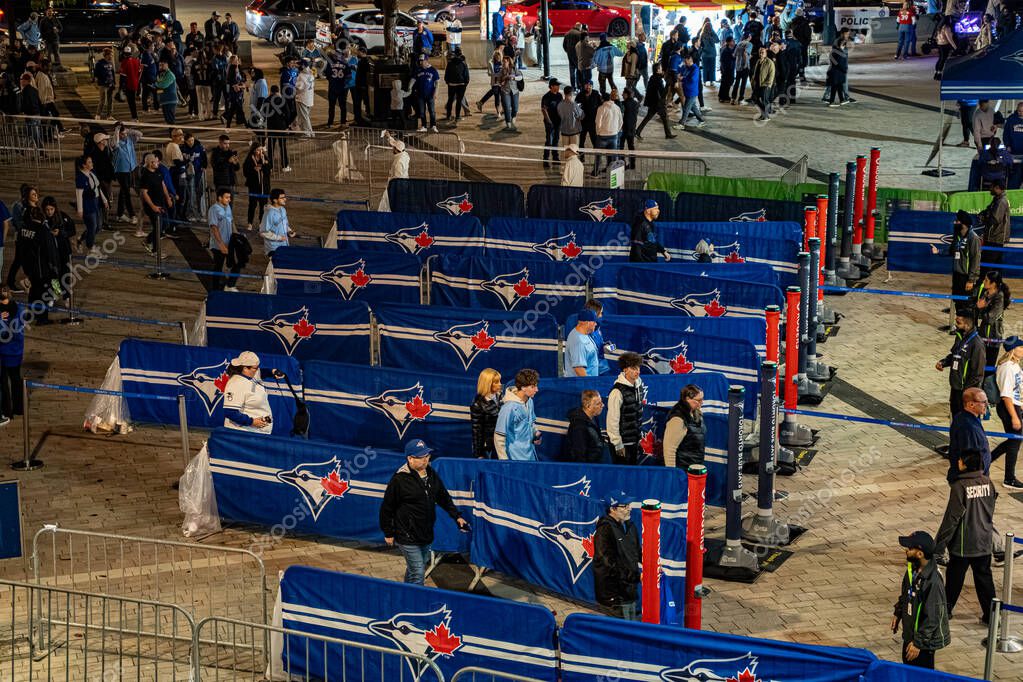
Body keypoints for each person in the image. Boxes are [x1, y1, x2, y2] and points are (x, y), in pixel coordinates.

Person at [380, 439, 468, 585]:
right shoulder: (399, 480)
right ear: (410, 459)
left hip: (426, 533)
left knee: (415, 568)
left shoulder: (431, 474)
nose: (426, 460)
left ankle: (406, 593)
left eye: (427, 456)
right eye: (421, 457)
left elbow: (443, 497)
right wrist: (388, 532)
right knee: (418, 573)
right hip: (406, 535)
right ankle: (416, 604)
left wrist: (457, 516)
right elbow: (387, 508)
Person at [935, 447, 997, 625]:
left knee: (954, 577)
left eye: (960, 460)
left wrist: (939, 544)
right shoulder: (988, 482)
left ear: (965, 464)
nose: (958, 462)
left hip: (963, 543)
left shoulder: (959, 487)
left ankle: (945, 611)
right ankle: (992, 616)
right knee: (984, 580)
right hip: (984, 541)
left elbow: (951, 518)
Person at [892, 531, 951, 669]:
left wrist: (918, 643)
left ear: (920, 554)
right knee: (908, 670)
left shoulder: (933, 581)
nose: (906, 550)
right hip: (910, 636)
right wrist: (898, 612)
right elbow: (906, 594)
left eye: (910, 548)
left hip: (923, 644)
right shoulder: (912, 570)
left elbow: (933, 617)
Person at [593, 492, 641, 620]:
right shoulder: (604, 530)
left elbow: (637, 552)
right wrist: (632, 576)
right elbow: (607, 563)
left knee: (632, 627)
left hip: (629, 591)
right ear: (612, 509)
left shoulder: (630, 526)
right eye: (624, 506)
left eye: (629, 505)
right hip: (614, 596)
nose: (629, 508)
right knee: (621, 632)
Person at [937, 309, 986, 428]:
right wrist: (944, 362)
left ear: (967, 324)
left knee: (968, 424)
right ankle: (955, 445)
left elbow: (978, 374)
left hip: (967, 393)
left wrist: (967, 392)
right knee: (956, 421)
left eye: (958, 323)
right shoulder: (960, 336)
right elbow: (955, 354)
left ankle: (966, 446)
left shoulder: (977, 344)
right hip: (956, 387)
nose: (955, 325)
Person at [223, 351, 284, 433]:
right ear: (245, 368)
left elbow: (262, 372)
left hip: (255, 433)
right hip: (243, 433)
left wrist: (272, 372)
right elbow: (230, 412)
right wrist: (251, 422)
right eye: (255, 368)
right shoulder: (236, 384)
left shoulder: (250, 374)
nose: (257, 370)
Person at [992, 337, 1023, 488]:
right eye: (1021, 347)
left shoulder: (1015, 365)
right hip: (1008, 408)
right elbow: (1006, 395)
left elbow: (1016, 390)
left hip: (1016, 406)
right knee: (1015, 441)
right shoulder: (1007, 368)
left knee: (1014, 440)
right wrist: (1014, 416)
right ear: (1013, 350)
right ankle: (1009, 478)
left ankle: (987, 459)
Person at [607, 352, 645, 466]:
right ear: (625, 370)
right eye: (633, 368)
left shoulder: (639, 385)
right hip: (622, 443)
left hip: (634, 440)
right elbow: (612, 420)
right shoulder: (617, 392)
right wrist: (618, 444)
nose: (637, 371)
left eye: (638, 368)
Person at [494, 368, 540, 461]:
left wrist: (536, 433)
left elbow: (531, 423)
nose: (537, 390)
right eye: (533, 386)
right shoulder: (508, 408)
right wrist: (505, 462)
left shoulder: (530, 401)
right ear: (523, 387)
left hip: (531, 457)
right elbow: (499, 437)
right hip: (515, 459)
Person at [662, 385, 706, 469]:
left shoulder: (696, 413)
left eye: (702, 399)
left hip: (694, 468)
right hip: (682, 470)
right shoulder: (678, 419)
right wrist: (673, 473)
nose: (702, 403)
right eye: (699, 400)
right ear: (687, 399)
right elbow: (669, 450)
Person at [973, 269, 1008, 371]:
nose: (983, 281)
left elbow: (990, 318)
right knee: (979, 364)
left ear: (993, 284)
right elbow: (977, 312)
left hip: (994, 336)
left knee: (989, 367)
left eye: (986, 280)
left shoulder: (999, 297)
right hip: (982, 333)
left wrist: (981, 308)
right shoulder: (985, 293)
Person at [139, 153, 171, 255]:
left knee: (164, 225)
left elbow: (163, 185)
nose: (158, 163)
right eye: (156, 161)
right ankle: (155, 251)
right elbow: (144, 193)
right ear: (151, 163)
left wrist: (168, 198)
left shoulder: (158, 172)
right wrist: (153, 206)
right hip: (152, 206)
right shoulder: (146, 176)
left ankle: (148, 240)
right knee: (158, 227)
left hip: (161, 204)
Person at [208, 187, 240, 292]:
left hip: (229, 243)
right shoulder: (213, 210)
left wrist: (237, 235)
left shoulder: (228, 207)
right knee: (218, 267)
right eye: (227, 198)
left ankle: (230, 285)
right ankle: (215, 289)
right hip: (218, 246)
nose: (229, 200)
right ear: (219, 198)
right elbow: (214, 228)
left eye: (229, 197)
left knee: (236, 264)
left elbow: (231, 222)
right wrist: (221, 245)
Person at [0, 287, 24, 425]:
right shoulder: (19, 308)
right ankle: (19, 408)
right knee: (16, 379)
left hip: (4, 351)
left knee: (4, 383)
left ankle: (7, 411)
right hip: (16, 350)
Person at [75, 155, 107, 255]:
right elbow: (79, 194)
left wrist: (104, 200)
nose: (92, 163)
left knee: (98, 226)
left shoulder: (92, 173)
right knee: (92, 226)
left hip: (96, 202)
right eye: (89, 162)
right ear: (84, 165)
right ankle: (90, 246)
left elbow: (98, 188)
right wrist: (80, 209)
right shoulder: (80, 177)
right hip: (88, 204)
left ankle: (80, 238)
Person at [563, 389, 605, 462]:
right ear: (588, 406)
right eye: (598, 404)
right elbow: (579, 456)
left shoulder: (594, 419)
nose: (603, 405)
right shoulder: (578, 427)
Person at [636, 64, 675, 140]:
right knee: (664, 117)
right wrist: (667, 85)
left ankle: (638, 131)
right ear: (657, 70)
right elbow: (663, 94)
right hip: (658, 103)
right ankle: (668, 134)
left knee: (649, 117)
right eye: (660, 68)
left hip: (653, 102)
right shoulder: (658, 80)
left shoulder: (653, 77)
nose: (662, 69)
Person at [979, 181, 1010, 272]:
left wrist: (984, 218)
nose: (990, 189)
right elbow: (989, 210)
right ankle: (997, 284)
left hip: (995, 237)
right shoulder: (997, 199)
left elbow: (995, 219)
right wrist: (984, 213)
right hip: (994, 237)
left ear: (997, 188)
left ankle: (982, 283)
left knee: (987, 264)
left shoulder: (1001, 201)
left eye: (991, 187)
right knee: (996, 265)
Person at [471, 368, 502, 459]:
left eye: (499, 381)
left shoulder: (502, 397)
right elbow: (477, 431)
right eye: (496, 382)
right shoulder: (477, 404)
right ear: (487, 384)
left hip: (504, 444)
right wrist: (479, 454)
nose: (500, 384)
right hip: (490, 447)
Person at [243, 145, 272, 231]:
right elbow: (245, 173)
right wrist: (253, 170)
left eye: (261, 149)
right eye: (258, 149)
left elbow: (269, 170)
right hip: (254, 187)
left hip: (264, 187)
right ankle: (250, 223)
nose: (260, 151)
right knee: (252, 205)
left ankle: (261, 223)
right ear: (254, 150)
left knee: (263, 206)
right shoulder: (249, 160)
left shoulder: (265, 158)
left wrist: (263, 166)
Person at [592, 93, 622, 175]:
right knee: (611, 157)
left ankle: (595, 172)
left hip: (602, 136)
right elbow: (621, 122)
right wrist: (616, 131)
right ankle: (611, 174)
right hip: (614, 136)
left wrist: (598, 132)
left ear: (602, 99)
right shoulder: (617, 108)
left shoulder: (601, 108)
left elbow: (598, 123)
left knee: (598, 155)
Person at [565, 309, 600, 377]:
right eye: (594, 322)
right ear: (587, 323)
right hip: (583, 385)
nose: (595, 324)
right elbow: (579, 369)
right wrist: (588, 385)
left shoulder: (583, 334)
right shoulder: (578, 342)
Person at [413, 54, 440, 133]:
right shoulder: (418, 70)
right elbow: (413, 79)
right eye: (420, 61)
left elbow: (437, 82)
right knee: (422, 111)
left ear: (427, 61)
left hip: (430, 95)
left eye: (422, 61)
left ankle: (433, 125)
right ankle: (424, 126)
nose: (421, 63)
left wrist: (436, 93)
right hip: (420, 95)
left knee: (432, 111)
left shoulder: (433, 70)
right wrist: (410, 87)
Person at [259, 188, 290, 255]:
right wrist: (279, 238)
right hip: (273, 248)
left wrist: (289, 231)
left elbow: (285, 224)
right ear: (275, 200)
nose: (285, 199)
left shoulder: (283, 210)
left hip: (284, 244)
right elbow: (263, 232)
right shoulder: (269, 213)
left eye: (284, 197)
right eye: (282, 198)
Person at [444, 48, 470, 122]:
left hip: (452, 84)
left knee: (450, 100)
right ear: (461, 53)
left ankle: (448, 116)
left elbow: (447, 74)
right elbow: (466, 75)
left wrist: (448, 82)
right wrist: (465, 83)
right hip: (461, 84)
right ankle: (457, 117)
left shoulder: (450, 63)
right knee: (459, 101)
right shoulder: (463, 63)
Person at [541, 79, 563, 169]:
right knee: (549, 141)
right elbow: (544, 110)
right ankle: (545, 159)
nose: (558, 87)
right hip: (550, 122)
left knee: (556, 140)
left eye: (558, 85)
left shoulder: (559, 95)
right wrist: (549, 121)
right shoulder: (546, 97)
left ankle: (555, 157)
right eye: (556, 85)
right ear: (551, 86)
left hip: (558, 122)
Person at [497, 56, 522, 131]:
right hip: (505, 91)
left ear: (508, 62)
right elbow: (498, 81)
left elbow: (520, 77)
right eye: (503, 62)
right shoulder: (501, 71)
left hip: (515, 91)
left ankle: (514, 116)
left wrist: (514, 78)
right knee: (506, 107)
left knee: (515, 107)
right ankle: (508, 122)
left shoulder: (514, 69)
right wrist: (503, 79)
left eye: (504, 62)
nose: (503, 63)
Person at [477, 49, 503, 115]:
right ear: (494, 56)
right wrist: (495, 74)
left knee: (500, 94)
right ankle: (498, 112)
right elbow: (489, 73)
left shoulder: (503, 62)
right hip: (494, 82)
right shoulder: (491, 63)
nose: (498, 58)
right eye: (496, 56)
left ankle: (481, 102)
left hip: (501, 82)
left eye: (499, 56)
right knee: (496, 94)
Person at [119, 46, 142, 122]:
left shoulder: (124, 62)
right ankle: (135, 117)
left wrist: (120, 88)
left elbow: (123, 77)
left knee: (131, 102)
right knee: (133, 102)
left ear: (124, 54)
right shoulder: (136, 61)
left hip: (128, 85)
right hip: (136, 84)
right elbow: (139, 73)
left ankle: (135, 117)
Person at [577, 81, 602, 151]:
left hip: (593, 122)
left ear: (592, 86)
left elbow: (601, 106)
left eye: (590, 85)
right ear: (584, 86)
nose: (588, 87)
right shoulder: (580, 94)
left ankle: (597, 159)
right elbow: (576, 107)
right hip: (583, 122)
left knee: (594, 141)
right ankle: (581, 157)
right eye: (586, 85)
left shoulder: (596, 94)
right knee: (581, 141)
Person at [294, 59, 315, 136]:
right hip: (309, 98)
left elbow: (298, 87)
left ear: (302, 66)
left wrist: (294, 84)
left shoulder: (301, 76)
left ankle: (308, 133)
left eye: (299, 65)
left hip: (302, 98)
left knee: (304, 117)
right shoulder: (311, 74)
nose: (297, 66)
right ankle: (310, 132)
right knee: (306, 117)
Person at [620, 87, 639, 168]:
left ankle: (622, 162)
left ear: (627, 94)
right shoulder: (636, 103)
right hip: (632, 128)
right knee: (631, 146)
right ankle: (632, 164)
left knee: (621, 146)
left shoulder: (623, 104)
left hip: (624, 128)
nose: (622, 94)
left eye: (623, 93)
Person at [155, 60, 178, 124]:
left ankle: (174, 133)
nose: (160, 67)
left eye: (162, 65)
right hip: (164, 101)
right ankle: (172, 133)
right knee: (168, 121)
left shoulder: (170, 75)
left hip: (170, 101)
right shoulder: (162, 75)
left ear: (167, 65)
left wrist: (156, 84)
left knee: (171, 121)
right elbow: (159, 86)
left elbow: (163, 85)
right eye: (159, 65)